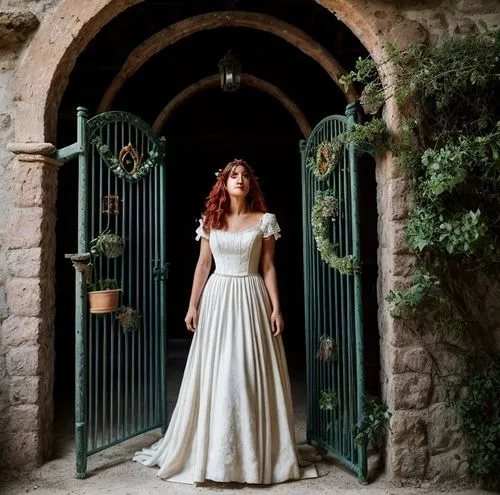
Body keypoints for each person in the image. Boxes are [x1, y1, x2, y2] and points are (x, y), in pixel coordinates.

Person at [132, 158, 318, 484]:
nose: (240, 179)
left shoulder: (264, 221)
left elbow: (269, 267)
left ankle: (252, 457)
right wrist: (192, 306)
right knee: (217, 373)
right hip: (217, 299)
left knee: (246, 371)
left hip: (250, 297)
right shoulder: (210, 221)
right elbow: (203, 266)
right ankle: (216, 456)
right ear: (224, 182)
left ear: (251, 185)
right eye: (234, 175)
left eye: (246, 175)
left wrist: (276, 308)